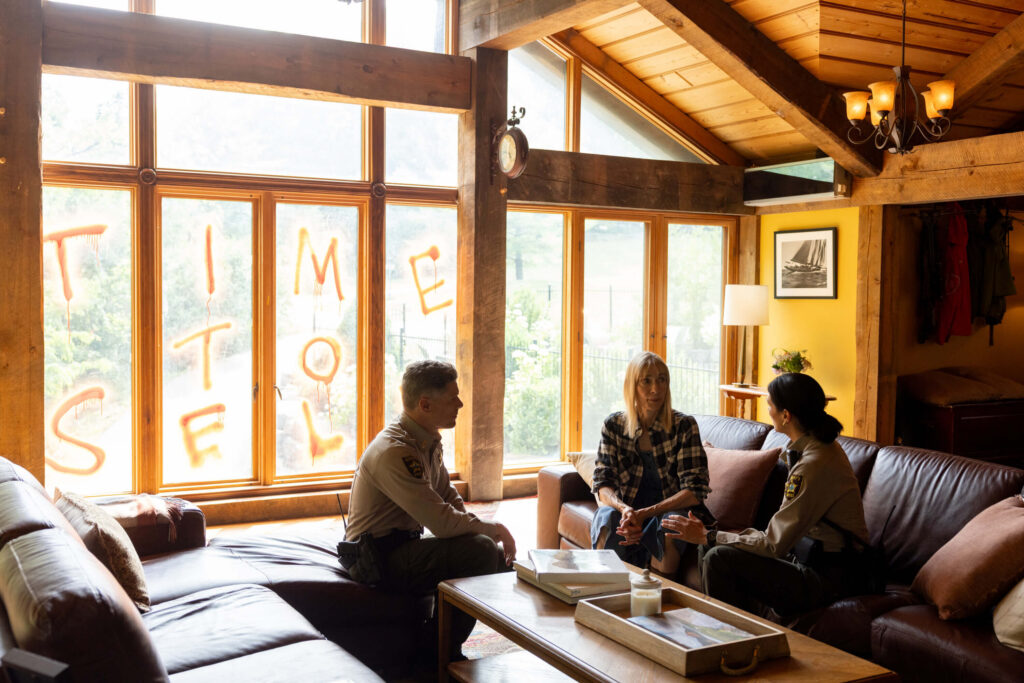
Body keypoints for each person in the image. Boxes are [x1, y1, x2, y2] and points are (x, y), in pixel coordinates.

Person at [342, 360, 516, 666]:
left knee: (488, 551)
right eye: (453, 398)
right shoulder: (396, 451)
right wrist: (493, 529)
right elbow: (439, 521)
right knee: (479, 552)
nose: (460, 403)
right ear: (425, 404)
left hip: (400, 548)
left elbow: (448, 497)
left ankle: (443, 635)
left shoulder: (425, 439)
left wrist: (481, 529)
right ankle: (436, 651)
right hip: (375, 559)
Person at [662, 372, 869, 617]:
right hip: (805, 560)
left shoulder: (815, 463)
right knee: (709, 548)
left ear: (786, 415)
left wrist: (710, 535)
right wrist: (710, 537)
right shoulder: (814, 449)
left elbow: (773, 544)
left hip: (829, 577)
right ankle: (725, 634)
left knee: (718, 555)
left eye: (769, 404)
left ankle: (733, 640)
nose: (767, 410)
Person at [590, 351, 714, 572]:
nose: (656, 389)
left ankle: (660, 597)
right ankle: (603, 588)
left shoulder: (684, 426)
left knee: (670, 523)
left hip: (670, 511)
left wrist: (645, 513)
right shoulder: (613, 426)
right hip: (629, 513)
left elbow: (695, 491)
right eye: (646, 381)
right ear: (632, 386)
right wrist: (626, 511)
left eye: (661, 380)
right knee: (606, 516)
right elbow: (602, 484)